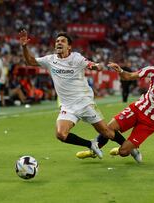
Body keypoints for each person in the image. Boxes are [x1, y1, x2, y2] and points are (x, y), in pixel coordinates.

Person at [19, 30, 126, 158]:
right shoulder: (50, 60)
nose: (59, 43)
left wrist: (97, 66)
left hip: (85, 103)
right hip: (68, 107)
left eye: (63, 41)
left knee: (107, 132)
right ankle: (91, 144)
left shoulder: (76, 58)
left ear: (69, 46)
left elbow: (90, 64)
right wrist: (24, 46)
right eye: (57, 41)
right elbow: (30, 61)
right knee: (61, 134)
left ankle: (130, 147)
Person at [76, 53, 154, 163]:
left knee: (124, 152)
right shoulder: (153, 70)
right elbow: (129, 76)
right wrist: (120, 71)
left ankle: (129, 148)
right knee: (108, 129)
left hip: (152, 121)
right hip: (138, 108)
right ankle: (93, 150)